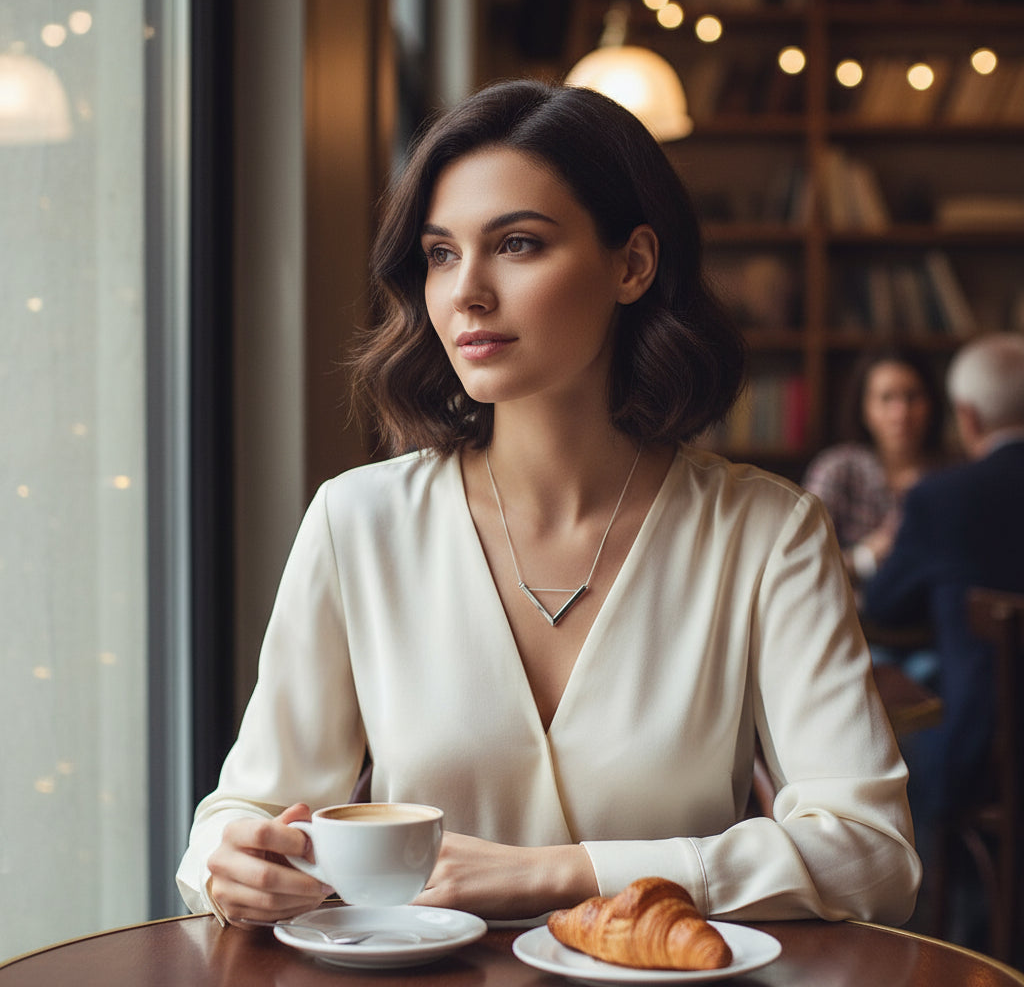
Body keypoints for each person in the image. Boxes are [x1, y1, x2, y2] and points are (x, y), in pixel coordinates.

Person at [175, 79, 920, 929]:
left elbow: (870, 855)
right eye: (441, 254)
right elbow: (239, 817)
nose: (467, 293)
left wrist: (557, 875)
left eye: (518, 244)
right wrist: (233, 860)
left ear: (632, 264)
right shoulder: (357, 523)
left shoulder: (767, 534)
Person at [860, 333, 1024, 886]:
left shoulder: (944, 497)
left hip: (986, 755)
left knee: (883, 741)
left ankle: (941, 934)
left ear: (967, 417)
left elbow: (883, 604)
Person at [804, 347, 946, 590]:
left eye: (913, 397)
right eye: (886, 398)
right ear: (864, 409)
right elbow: (804, 564)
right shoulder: (837, 469)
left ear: (932, 403)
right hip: (850, 617)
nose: (901, 413)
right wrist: (866, 557)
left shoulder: (950, 476)